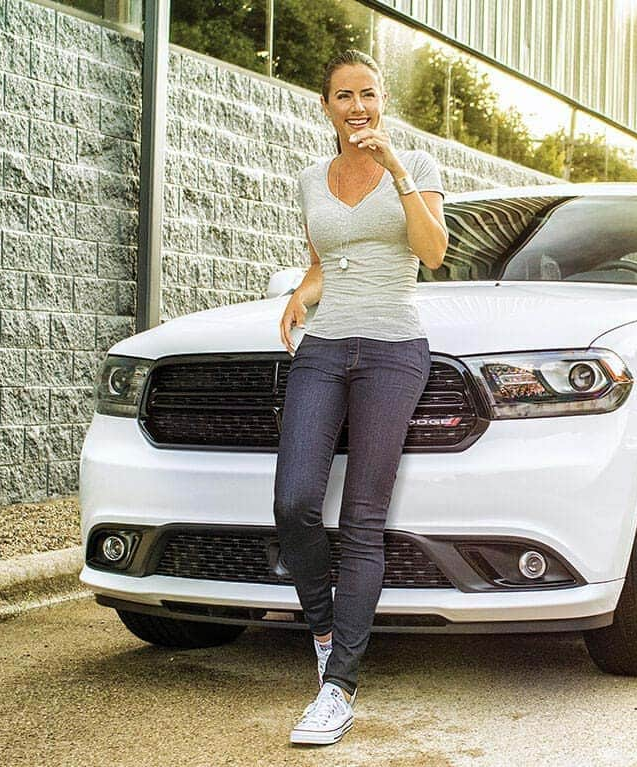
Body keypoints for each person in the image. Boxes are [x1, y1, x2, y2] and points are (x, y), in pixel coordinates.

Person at [273, 49, 448, 746]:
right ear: (325, 105)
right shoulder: (309, 178)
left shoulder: (420, 168)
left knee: (365, 517)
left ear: (383, 101)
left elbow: (432, 252)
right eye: (343, 96)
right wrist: (299, 293)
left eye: (368, 94)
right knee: (294, 502)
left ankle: (339, 685)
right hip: (324, 345)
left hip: (392, 349)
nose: (357, 107)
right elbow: (324, 261)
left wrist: (400, 171)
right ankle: (324, 630)